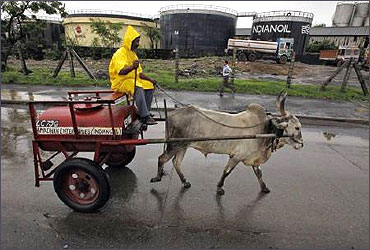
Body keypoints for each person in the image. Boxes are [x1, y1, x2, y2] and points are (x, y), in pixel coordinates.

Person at [109, 25, 157, 125]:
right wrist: (132, 67)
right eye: (137, 41)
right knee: (137, 86)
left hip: (132, 79)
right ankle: (144, 116)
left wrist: (150, 80)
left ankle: (144, 112)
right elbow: (121, 71)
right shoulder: (120, 53)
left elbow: (140, 74)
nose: (138, 44)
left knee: (149, 85)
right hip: (120, 82)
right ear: (130, 41)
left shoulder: (133, 54)